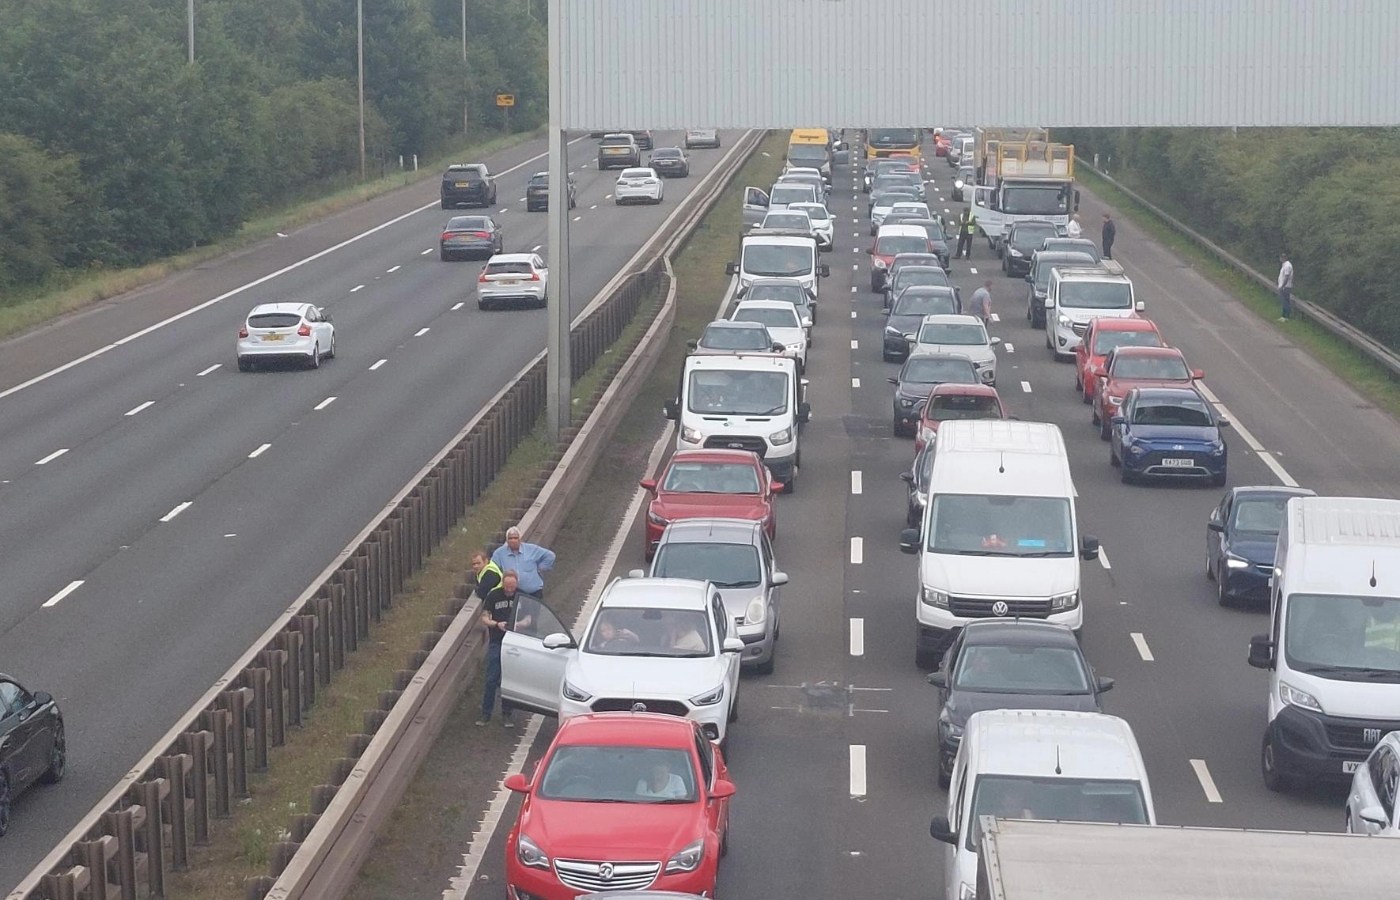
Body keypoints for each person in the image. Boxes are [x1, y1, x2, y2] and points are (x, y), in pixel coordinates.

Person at [477, 571, 531, 727]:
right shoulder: (494, 595)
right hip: (497, 641)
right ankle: (486, 714)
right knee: (491, 678)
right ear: (503, 583)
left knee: (509, 679)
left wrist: (519, 624)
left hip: (515, 642)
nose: (509, 590)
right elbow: (485, 617)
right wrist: (496, 624)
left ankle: (507, 713)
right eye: (507, 586)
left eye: (512, 587)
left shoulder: (522, 596)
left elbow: (529, 618)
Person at [492, 526, 555, 599]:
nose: (513, 540)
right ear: (506, 540)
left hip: (533, 593)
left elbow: (550, 556)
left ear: (520, 539)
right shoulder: (499, 553)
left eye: (515, 538)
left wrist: (540, 568)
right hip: (511, 595)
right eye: (510, 538)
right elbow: (493, 569)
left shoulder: (531, 549)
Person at [1277, 252, 1294, 321]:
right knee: (1284, 301)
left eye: (1282, 257)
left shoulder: (1287, 266)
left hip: (1285, 287)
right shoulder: (1284, 265)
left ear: (1285, 258)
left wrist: (1282, 286)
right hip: (1284, 286)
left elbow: (1287, 277)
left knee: (1285, 302)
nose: (1281, 258)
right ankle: (1283, 316)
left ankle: (1286, 317)